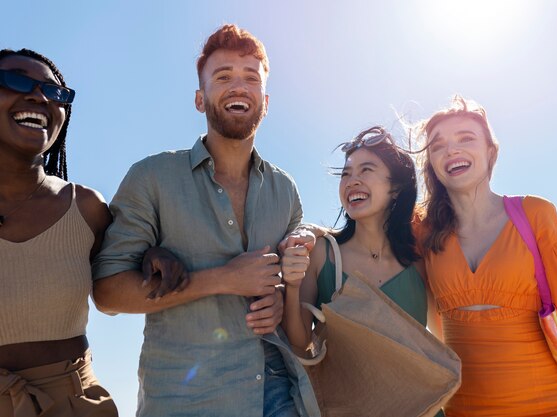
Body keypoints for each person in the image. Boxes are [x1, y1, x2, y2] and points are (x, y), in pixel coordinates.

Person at [91, 24, 320, 417]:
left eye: (251, 77)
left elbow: (292, 289)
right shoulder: (152, 177)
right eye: (223, 76)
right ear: (200, 99)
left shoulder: (286, 190)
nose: (238, 86)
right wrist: (221, 279)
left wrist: (281, 301)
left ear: (265, 101)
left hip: (281, 396)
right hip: (185, 401)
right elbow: (108, 293)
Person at [414, 95, 557, 416]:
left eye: (466, 138)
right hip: (465, 409)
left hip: (556, 407)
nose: (451, 150)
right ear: (432, 163)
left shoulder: (535, 214)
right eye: (438, 145)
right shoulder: (422, 234)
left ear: (490, 152)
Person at [281, 126, 445, 417]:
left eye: (366, 170)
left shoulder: (420, 260)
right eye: (346, 174)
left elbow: (442, 340)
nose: (352, 181)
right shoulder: (321, 253)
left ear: (395, 187)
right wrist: (292, 285)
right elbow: (300, 342)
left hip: (421, 408)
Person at [0, 49, 117, 416]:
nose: (40, 97)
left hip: (73, 404)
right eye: (17, 80)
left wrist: (156, 257)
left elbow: (120, 283)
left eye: (55, 93)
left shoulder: (86, 208)